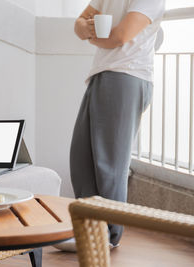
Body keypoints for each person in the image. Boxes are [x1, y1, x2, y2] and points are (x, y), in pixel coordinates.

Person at [68, 0, 165, 249]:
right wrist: (89, 31)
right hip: (102, 73)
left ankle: (109, 235)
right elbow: (80, 23)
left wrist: (89, 34)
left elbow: (120, 37)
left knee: (109, 165)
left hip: (127, 75)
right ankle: (90, 230)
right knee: (82, 159)